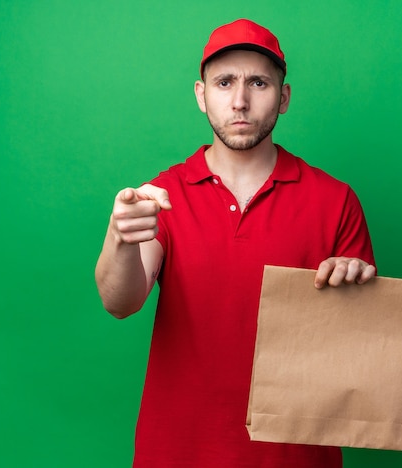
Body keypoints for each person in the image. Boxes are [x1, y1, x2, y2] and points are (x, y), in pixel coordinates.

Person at [95, 18, 376, 467]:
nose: (240, 101)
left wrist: (362, 296)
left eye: (258, 83)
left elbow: (361, 358)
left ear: (283, 98)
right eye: (224, 82)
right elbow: (120, 301)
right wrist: (120, 238)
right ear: (201, 95)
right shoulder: (164, 195)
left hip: (297, 455)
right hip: (178, 453)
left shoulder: (335, 200)